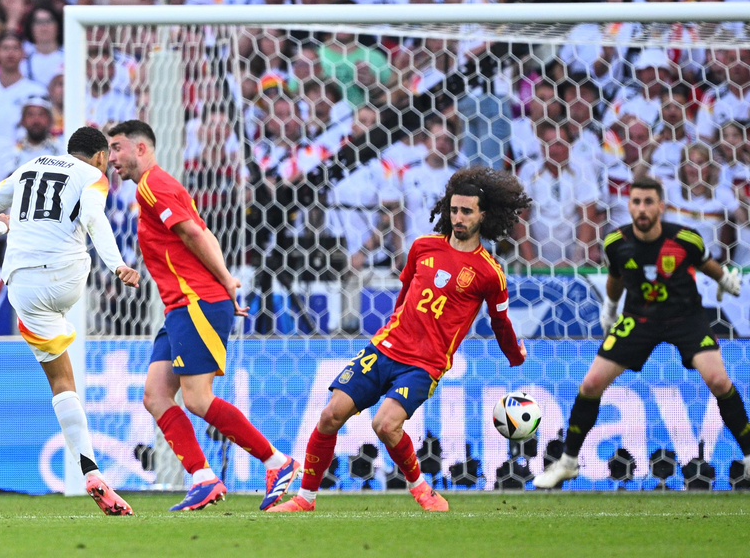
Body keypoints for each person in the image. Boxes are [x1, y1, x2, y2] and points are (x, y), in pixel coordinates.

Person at [270, 167, 530, 513]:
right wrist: (392, 332)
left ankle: (421, 489)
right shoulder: (423, 247)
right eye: (454, 209)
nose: (458, 218)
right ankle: (305, 499)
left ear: (484, 214)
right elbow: (404, 296)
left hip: (424, 364)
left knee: (385, 424)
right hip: (385, 349)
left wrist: (515, 355)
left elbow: (500, 322)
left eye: (467, 211)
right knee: (330, 415)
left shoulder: (489, 272)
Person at [107, 120, 301, 511]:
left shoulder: (152, 186)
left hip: (196, 303)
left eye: (117, 148)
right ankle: (203, 477)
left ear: (141, 148)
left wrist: (226, 282)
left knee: (197, 399)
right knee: (156, 395)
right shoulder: (157, 187)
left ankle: (276, 462)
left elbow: (195, 234)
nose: (112, 158)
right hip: (181, 306)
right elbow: (201, 232)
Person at [0, 126, 140, 515]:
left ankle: (89, 469)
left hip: (22, 285)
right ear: (99, 156)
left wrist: (3, 226)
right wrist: (117, 265)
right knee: (75, 247)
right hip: (66, 277)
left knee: (61, 382)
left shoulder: (28, 168)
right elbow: (94, 219)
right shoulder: (91, 175)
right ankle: (93, 473)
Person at [534, 177, 748, 489]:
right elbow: (616, 277)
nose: (642, 209)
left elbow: (705, 263)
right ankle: (567, 462)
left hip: (686, 318)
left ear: (661, 206)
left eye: (648, 202)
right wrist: (610, 308)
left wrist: (724, 279)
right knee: (591, 384)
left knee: (718, 380)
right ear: (630, 206)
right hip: (638, 319)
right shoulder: (616, 242)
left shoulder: (685, 238)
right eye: (636, 202)